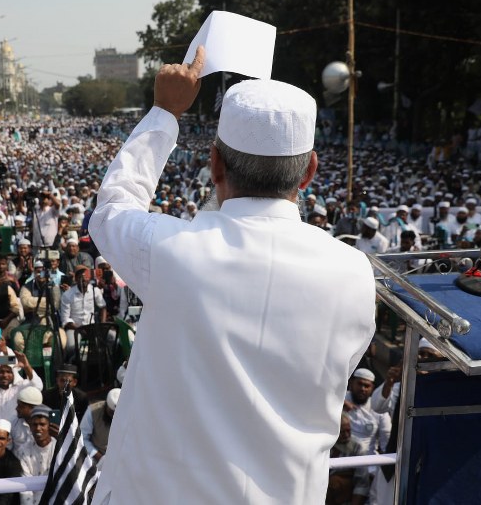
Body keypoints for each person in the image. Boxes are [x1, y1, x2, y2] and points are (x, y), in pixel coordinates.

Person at [88, 47, 376, 503]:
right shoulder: (354, 273)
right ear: (309, 172)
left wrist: (164, 112)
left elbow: (112, 210)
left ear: (215, 164)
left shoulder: (172, 251)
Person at [16, 406, 56, 505]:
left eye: (42, 424)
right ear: (30, 427)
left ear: (49, 426)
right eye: (35, 424)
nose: (38, 428)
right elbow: (25, 487)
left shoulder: (59, 449)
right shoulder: (23, 451)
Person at [81, 387, 120, 465]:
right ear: (106, 405)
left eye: (117, 414)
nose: (114, 417)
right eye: (111, 413)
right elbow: (82, 438)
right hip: (97, 457)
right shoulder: (93, 411)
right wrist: (98, 456)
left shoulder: (131, 413)